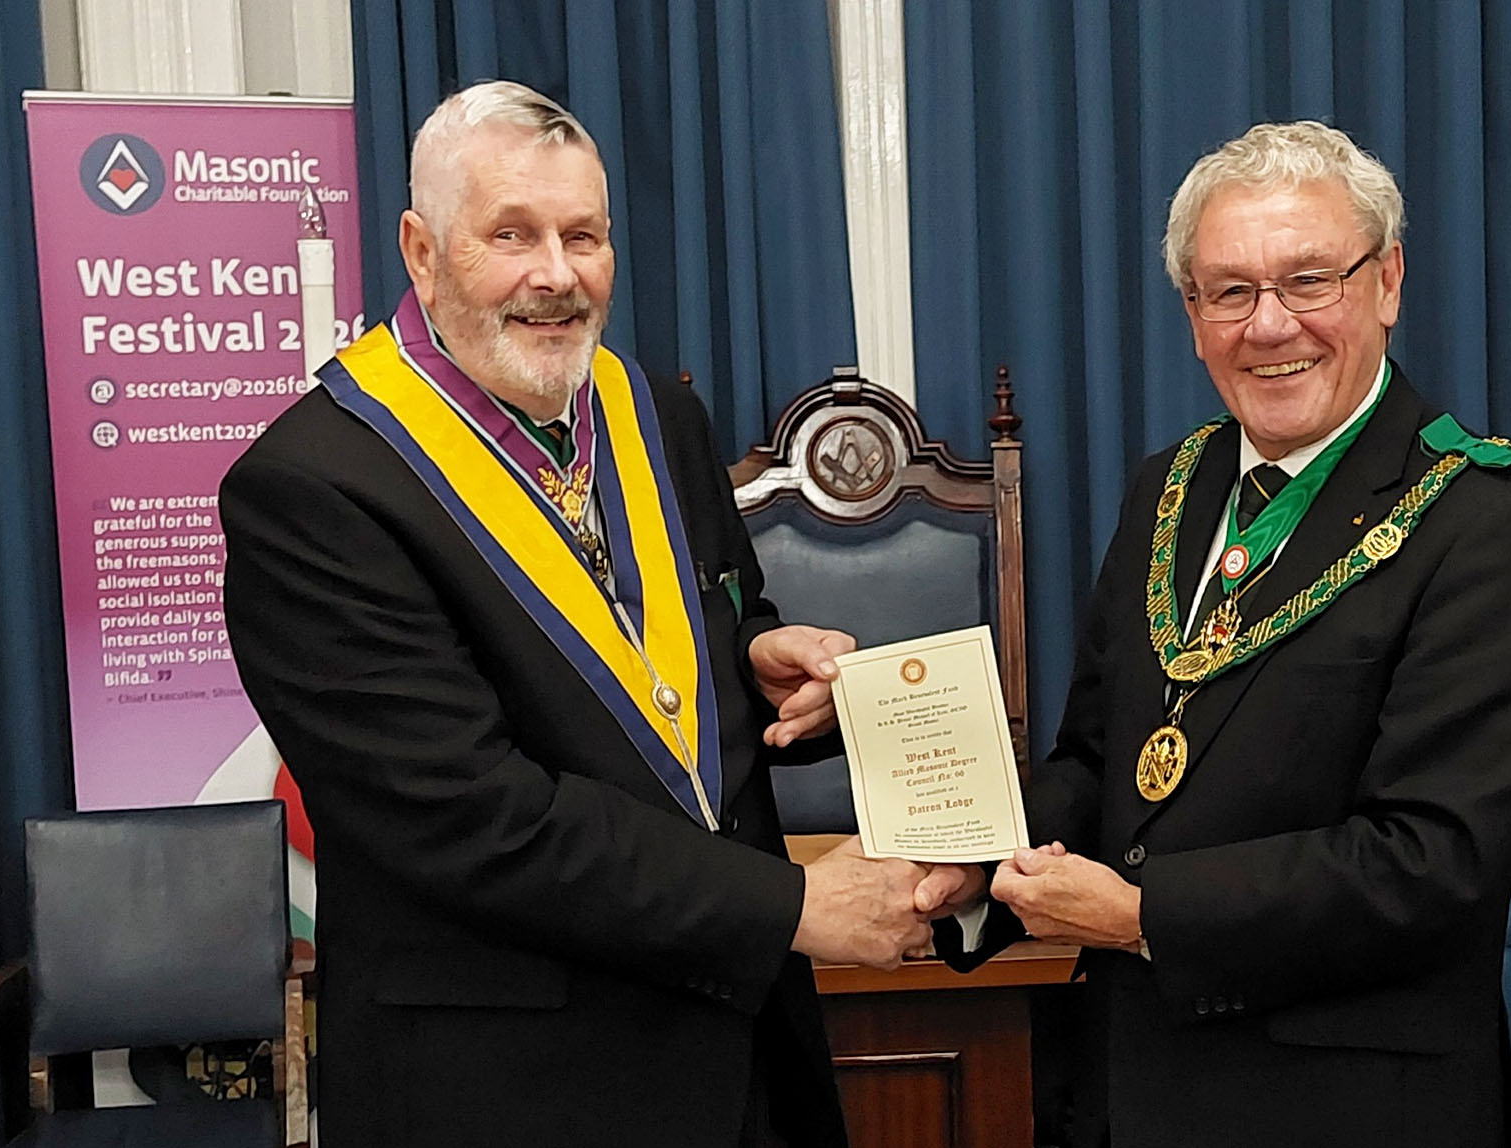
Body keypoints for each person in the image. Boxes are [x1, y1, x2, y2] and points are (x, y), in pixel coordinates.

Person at [222, 80, 968, 1148]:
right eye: (511, 235)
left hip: (741, 1050)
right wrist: (794, 906)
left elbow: (686, 639)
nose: (557, 274)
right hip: (510, 1085)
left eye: (584, 235)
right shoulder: (314, 486)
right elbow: (470, 818)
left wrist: (753, 655)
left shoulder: (656, 414)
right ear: (421, 252)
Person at [939, 121, 1511, 1146]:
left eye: (1309, 280)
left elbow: (1435, 862)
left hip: (1357, 1109)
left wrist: (1143, 914)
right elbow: (1101, 763)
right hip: (1134, 1084)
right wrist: (974, 862)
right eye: (1230, 291)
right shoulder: (1168, 486)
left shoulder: (1492, 521)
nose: (1270, 325)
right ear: (1193, 316)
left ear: (1387, 282)